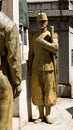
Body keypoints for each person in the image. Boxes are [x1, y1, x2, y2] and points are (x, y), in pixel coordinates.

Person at [28, 11, 58, 124]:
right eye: (39, 21)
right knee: (38, 91)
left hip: (48, 67)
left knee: (49, 90)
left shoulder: (52, 34)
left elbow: (55, 48)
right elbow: (31, 53)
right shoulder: (33, 36)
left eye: (44, 21)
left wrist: (43, 42)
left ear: (47, 22)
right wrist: (30, 67)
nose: (41, 23)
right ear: (36, 22)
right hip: (36, 67)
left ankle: (48, 114)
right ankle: (40, 115)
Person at [0, 0, 22, 130]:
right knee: (4, 123)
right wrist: (17, 82)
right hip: (2, 76)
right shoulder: (8, 26)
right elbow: (13, 58)